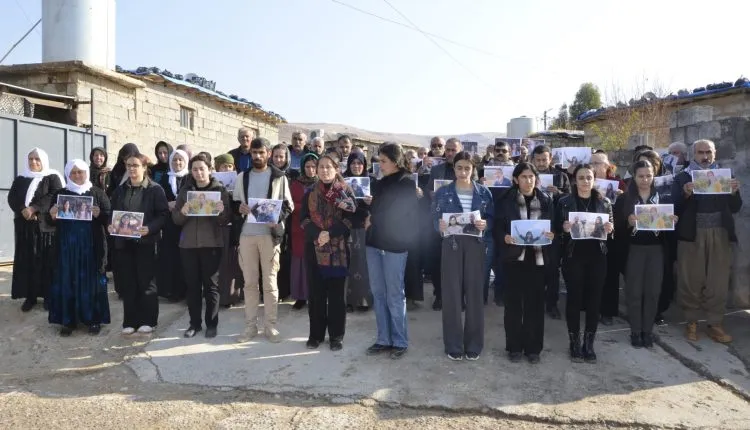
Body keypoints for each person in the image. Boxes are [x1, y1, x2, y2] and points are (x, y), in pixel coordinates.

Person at [672, 139, 742, 343]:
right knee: (691, 279)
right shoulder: (683, 177)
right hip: (692, 235)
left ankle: (715, 323)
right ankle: (691, 322)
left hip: (719, 233)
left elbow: (736, 207)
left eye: (708, 152)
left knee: (718, 279)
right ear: (693, 155)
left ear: (714, 153)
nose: (705, 156)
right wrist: (685, 194)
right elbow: (673, 208)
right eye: (700, 152)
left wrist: (734, 193)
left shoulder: (725, 176)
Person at [433, 151, 492, 361]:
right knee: (451, 294)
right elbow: (434, 217)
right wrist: (439, 226)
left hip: (476, 245)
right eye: (459, 167)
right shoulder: (443, 192)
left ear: (473, 169)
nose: (463, 172)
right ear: (454, 168)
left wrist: (485, 224)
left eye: (467, 168)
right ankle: (453, 345)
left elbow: (492, 218)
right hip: (451, 244)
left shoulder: (484, 192)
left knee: (475, 294)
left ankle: (474, 344)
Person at [234, 137, 294, 343]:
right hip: (247, 236)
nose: (257, 156)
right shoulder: (242, 177)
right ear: (250, 154)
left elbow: (289, 206)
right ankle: (250, 327)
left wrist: (275, 218)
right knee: (250, 283)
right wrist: (239, 209)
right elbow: (234, 203)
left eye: (261, 152)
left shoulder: (279, 177)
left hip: (269, 236)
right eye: (254, 153)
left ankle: (271, 326)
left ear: (268, 154)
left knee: (269, 283)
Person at [555, 163, 614, 363]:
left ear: (594, 179)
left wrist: (610, 229)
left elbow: (611, 233)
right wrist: (563, 228)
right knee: (574, 299)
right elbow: (556, 229)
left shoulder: (604, 202)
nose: (585, 181)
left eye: (589, 177)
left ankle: (589, 344)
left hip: (597, 256)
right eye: (581, 177)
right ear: (575, 180)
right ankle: (574, 342)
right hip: (573, 256)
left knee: (594, 301)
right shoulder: (564, 202)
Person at [496, 162, 554, 363]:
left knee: (535, 305)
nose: (528, 181)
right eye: (523, 177)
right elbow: (497, 228)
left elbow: (553, 227)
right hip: (513, 258)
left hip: (537, 259)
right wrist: (504, 237)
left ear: (536, 179)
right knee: (513, 305)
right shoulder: (505, 200)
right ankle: (514, 347)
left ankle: (533, 348)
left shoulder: (546, 200)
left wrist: (552, 234)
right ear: (515, 179)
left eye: (531, 177)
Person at [365, 143, 419, 359]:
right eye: (379, 160)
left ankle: (399, 341)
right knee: (378, 294)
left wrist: (373, 219)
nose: (380, 164)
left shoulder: (407, 183)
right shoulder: (379, 183)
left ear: (396, 161)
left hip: (395, 246)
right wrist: (369, 211)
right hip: (374, 244)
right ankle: (383, 339)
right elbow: (375, 210)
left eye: (384, 161)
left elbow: (398, 214)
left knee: (395, 295)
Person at [48, 159, 111, 336]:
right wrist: (51, 215)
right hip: (66, 247)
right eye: (73, 172)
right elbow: (49, 221)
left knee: (91, 282)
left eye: (80, 172)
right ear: (68, 174)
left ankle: (93, 319)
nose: (77, 175)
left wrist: (100, 214)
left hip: (90, 247)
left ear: (86, 173)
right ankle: (68, 321)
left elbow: (109, 217)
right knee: (67, 280)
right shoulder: (60, 194)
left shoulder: (97, 193)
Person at [109, 152, 169, 335]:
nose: (131, 169)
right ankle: (130, 321)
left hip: (146, 242)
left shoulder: (155, 189)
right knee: (128, 282)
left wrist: (149, 228)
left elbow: (163, 215)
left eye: (135, 165)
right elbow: (113, 212)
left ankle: (149, 320)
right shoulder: (120, 190)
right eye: (128, 165)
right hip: (124, 242)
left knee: (146, 282)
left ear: (144, 167)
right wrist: (111, 224)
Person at [173, 154, 232, 338]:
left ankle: (211, 324)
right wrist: (183, 212)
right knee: (192, 286)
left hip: (211, 244)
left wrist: (221, 212)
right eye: (195, 169)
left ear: (209, 170)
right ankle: (195, 324)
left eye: (202, 169)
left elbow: (226, 220)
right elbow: (176, 220)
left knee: (211, 286)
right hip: (188, 245)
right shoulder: (185, 191)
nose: (198, 173)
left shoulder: (219, 190)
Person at [300, 155, 356, 350]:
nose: (324, 170)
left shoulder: (345, 191)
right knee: (316, 295)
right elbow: (304, 219)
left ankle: (336, 336)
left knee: (337, 297)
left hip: (338, 250)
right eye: (321, 167)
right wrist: (318, 234)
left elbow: (350, 219)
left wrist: (329, 233)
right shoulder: (310, 192)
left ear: (336, 169)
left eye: (328, 167)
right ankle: (315, 335)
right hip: (314, 248)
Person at [616, 160, 673, 348]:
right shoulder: (625, 199)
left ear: (654, 176)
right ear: (634, 177)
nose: (645, 179)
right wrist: (628, 222)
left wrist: (671, 220)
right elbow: (615, 227)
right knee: (634, 291)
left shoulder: (663, 198)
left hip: (656, 250)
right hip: (634, 249)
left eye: (649, 175)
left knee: (653, 291)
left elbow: (669, 229)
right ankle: (635, 330)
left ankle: (647, 330)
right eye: (641, 176)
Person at [7, 148, 65, 311]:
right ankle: (30, 296)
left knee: (46, 261)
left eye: (37, 159)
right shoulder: (21, 178)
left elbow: (54, 196)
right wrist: (23, 210)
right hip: (24, 226)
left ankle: (48, 296)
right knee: (28, 261)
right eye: (31, 158)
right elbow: (12, 197)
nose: (33, 162)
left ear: (43, 160)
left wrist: (34, 209)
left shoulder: (52, 177)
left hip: (45, 227)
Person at [427, 138, 477, 310]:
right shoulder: (436, 170)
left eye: (452, 150)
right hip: (441, 224)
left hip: (462, 224)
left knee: (461, 265)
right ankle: (440, 296)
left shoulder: (468, 168)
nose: (449, 153)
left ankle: (460, 297)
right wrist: (433, 195)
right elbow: (429, 191)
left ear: (460, 150)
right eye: (447, 150)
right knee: (438, 262)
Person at [590, 151, 626, 327]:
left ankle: (608, 311)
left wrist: (621, 196)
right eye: (592, 163)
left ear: (607, 166)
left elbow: (628, 208)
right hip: (592, 234)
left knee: (611, 274)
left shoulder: (618, 183)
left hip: (612, 235)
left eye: (598, 163)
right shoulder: (587, 181)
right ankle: (592, 308)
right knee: (593, 274)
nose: (594, 166)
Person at [156, 149, 190, 302]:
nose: (177, 162)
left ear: (185, 161)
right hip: (169, 223)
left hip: (187, 222)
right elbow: (158, 196)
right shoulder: (164, 178)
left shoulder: (190, 178)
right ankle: (171, 291)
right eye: (175, 160)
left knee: (185, 256)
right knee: (170, 256)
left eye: (180, 160)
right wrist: (166, 204)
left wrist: (179, 204)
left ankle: (186, 291)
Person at [343, 152, 373, 312]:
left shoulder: (371, 182)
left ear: (364, 165)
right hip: (345, 227)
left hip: (363, 228)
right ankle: (348, 300)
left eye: (359, 163)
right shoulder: (341, 181)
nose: (356, 166)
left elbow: (377, 207)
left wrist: (370, 203)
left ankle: (363, 300)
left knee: (362, 263)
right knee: (347, 263)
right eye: (353, 163)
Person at [214, 153, 244, 307]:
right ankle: (220, 297)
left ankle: (234, 296)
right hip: (219, 229)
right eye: (223, 166)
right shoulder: (212, 184)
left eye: (229, 166)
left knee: (234, 264)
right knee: (221, 264)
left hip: (235, 228)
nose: (226, 169)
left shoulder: (239, 183)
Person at [290, 153, 318, 310]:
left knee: (316, 261)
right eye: (307, 166)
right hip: (299, 228)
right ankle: (301, 296)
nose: (311, 170)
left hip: (318, 228)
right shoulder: (296, 184)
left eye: (314, 166)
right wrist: (308, 207)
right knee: (300, 262)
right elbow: (290, 204)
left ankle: (315, 295)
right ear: (302, 167)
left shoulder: (322, 183)